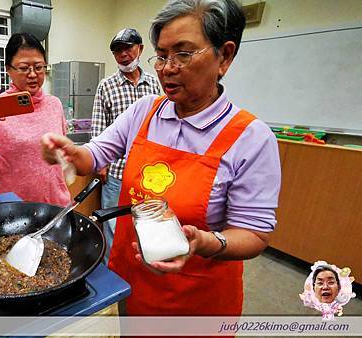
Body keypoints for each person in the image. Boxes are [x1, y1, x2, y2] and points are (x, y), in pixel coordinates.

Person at [41, 0, 281, 318]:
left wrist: (206, 242)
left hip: (196, 298)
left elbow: (254, 233)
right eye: (162, 55)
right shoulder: (145, 111)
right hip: (131, 280)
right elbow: (94, 156)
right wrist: (71, 152)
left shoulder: (251, 138)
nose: (167, 68)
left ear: (224, 56)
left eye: (183, 53)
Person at [0, 33, 71, 206]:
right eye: (24, 68)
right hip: (16, 210)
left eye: (39, 67)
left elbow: (60, 152)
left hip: (57, 205)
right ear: (9, 69)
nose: (33, 74)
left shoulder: (54, 105)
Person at [92, 28, 160, 263]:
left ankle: (142, 263)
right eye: (117, 51)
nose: (123, 54)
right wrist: (100, 164)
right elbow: (99, 126)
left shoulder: (154, 83)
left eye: (128, 48)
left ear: (140, 49)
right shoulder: (106, 85)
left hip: (148, 172)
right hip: (117, 171)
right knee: (112, 223)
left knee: (143, 222)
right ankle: (115, 267)